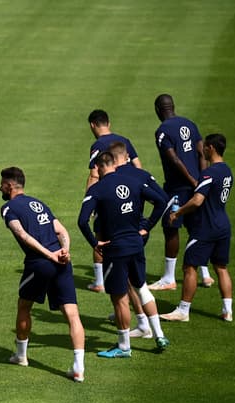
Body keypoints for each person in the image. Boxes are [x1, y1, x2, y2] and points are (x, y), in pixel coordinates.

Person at [78, 151, 170, 358]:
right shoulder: (133, 181)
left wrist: (95, 243)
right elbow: (161, 201)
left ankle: (124, 346)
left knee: (119, 298)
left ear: (101, 167)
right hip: (136, 244)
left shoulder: (98, 189)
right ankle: (159, 335)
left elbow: (82, 221)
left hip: (115, 249)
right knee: (142, 287)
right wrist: (147, 226)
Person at [0, 167, 86, 382]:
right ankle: (79, 367)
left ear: (10, 186)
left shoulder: (8, 207)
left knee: (24, 305)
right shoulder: (39, 204)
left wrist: (49, 255)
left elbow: (21, 233)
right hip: (62, 262)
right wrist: (64, 251)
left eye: (1, 183)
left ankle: (21, 355)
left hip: (40, 263)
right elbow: (62, 231)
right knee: (72, 315)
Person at [161, 133, 234, 322]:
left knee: (189, 266)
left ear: (211, 148)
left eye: (204, 147)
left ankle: (183, 311)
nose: (200, 150)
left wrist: (177, 213)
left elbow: (197, 200)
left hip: (206, 228)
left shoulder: (209, 173)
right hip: (223, 225)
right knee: (221, 267)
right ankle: (228, 311)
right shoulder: (227, 171)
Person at [149, 94, 214, 290]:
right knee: (197, 228)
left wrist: (193, 181)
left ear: (158, 110)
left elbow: (174, 160)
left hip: (178, 189)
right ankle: (205, 274)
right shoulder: (190, 124)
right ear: (173, 107)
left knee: (171, 226)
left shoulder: (162, 131)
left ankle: (169, 278)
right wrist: (201, 180)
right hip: (196, 189)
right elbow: (201, 152)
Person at [107, 142, 170, 339]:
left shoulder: (112, 177)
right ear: (126, 156)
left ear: (111, 158)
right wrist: (147, 225)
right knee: (135, 280)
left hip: (122, 235)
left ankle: (141, 322)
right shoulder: (141, 174)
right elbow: (163, 199)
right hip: (139, 231)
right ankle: (144, 322)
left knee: (129, 281)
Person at [84, 109, 142, 293]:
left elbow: (94, 174)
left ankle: (100, 281)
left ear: (93, 125)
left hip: (107, 195)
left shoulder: (98, 145)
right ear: (108, 123)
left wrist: (89, 202)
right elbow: (138, 166)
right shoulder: (124, 141)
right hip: (128, 195)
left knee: (100, 235)